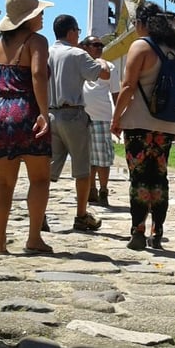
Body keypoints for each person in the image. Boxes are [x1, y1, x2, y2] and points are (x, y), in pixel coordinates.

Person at [110, 1, 175, 251]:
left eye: (135, 23)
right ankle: (158, 231)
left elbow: (128, 86)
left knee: (139, 178)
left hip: (138, 124)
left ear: (142, 23)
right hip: (166, 125)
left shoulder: (141, 46)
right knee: (159, 178)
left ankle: (138, 230)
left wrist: (116, 117)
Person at [0, 0, 53, 255]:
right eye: (39, 12)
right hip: (26, 110)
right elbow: (38, 74)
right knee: (40, 179)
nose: (43, 15)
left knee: (3, 183)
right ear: (28, 17)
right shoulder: (37, 41)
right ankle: (34, 238)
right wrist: (44, 112)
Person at [48, 15, 109, 232]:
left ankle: (40, 214)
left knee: (48, 170)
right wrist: (101, 60)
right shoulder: (77, 54)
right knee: (82, 169)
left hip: (51, 114)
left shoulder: (46, 53)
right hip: (73, 114)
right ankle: (81, 215)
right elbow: (103, 74)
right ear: (72, 31)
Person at [81, 35, 120, 207]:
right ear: (85, 47)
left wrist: (118, 117)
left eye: (100, 45)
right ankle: (91, 189)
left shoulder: (109, 67)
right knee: (87, 158)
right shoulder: (79, 65)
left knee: (103, 158)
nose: (99, 48)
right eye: (95, 44)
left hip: (102, 117)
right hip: (82, 117)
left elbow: (116, 94)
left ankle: (103, 189)